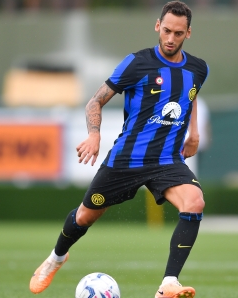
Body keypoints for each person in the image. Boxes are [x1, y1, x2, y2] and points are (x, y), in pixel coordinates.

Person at [29, 2, 209, 297]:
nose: (170, 39)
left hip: (167, 160)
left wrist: (195, 132)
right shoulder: (136, 63)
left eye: (178, 33)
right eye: (166, 31)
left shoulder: (198, 68)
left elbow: (192, 95)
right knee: (85, 216)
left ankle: (168, 284)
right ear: (157, 26)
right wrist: (94, 135)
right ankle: (56, 258)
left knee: (195, 202)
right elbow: (94, 101)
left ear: (188, 33)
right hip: (127, 158)